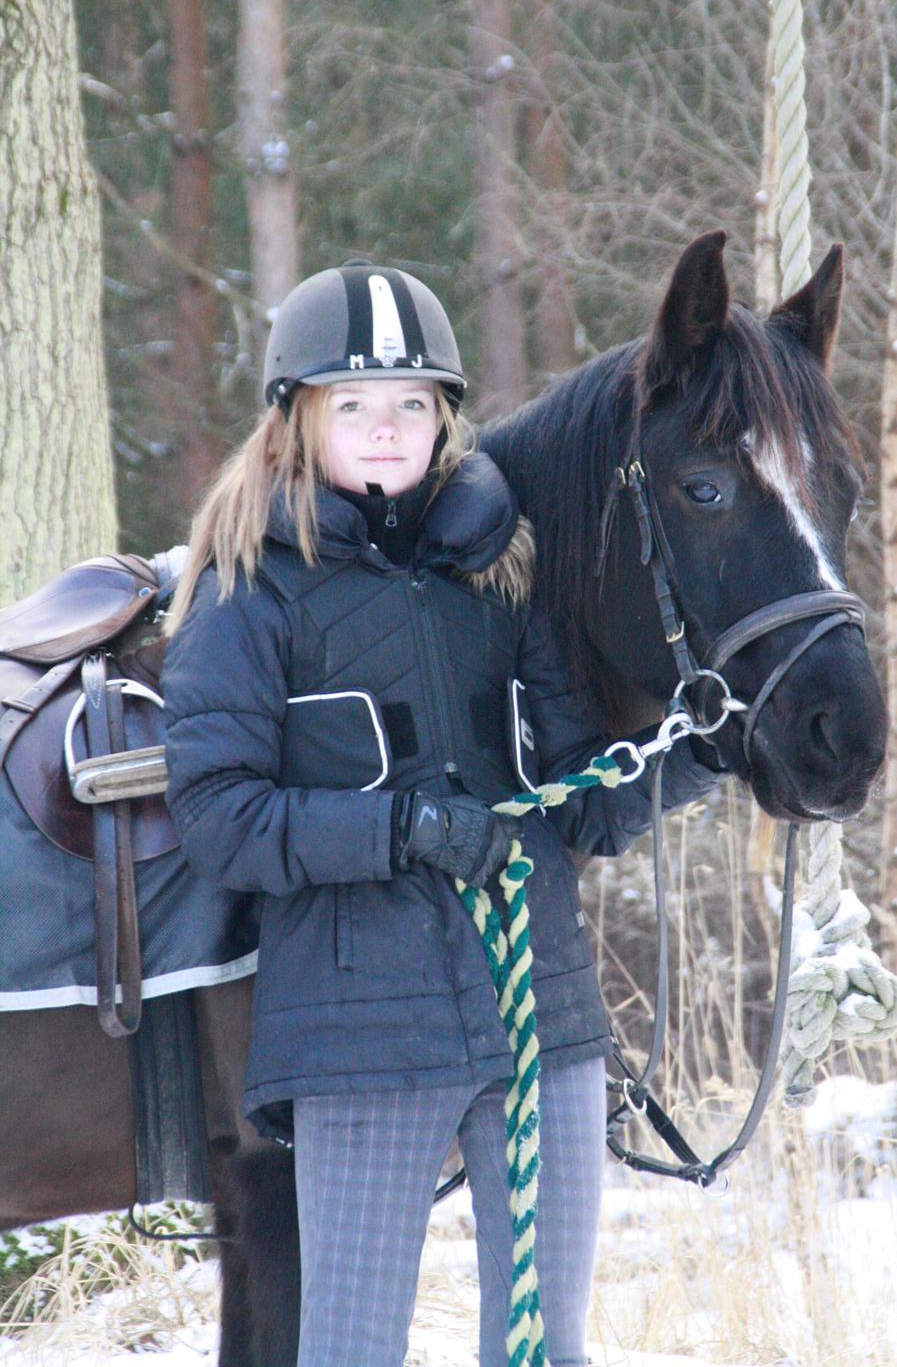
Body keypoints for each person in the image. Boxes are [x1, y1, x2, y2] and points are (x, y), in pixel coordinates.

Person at [162, 257, 720, 1367]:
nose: (384, 429)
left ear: (444, 420)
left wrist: (702, 753)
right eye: (353, 405)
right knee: (353, 1350)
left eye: (410, 405)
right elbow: (219, 814)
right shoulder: (245, 587)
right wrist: (398, 831)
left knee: (545, 1346)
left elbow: (587, 803)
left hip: (541, 1024)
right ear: (297, 417)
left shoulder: (501, 570)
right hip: (358, 1034)